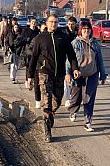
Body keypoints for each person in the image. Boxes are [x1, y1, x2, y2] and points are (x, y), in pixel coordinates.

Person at [27, 14, 80, 142]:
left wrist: (75, 68)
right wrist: (29, 76)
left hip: (59, 74)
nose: (53, 24)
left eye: (56, 22)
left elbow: (71, 55)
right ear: (46, 23)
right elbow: (34, 57)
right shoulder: (40, 38)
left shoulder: (63, 37)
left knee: (58, 99)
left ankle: (51, 113)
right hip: (45, 73)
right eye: (51, 22)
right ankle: (47, 131)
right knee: (47, 101)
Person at [66, 20, 107, 132]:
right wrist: (68, 73)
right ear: (80, 30)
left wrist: (103, 75)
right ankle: (73, 111)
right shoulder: (75, 43)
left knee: (89, 99)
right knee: (76, 99)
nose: (86, 31)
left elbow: (100, 61)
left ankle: (87, 122)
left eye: (88, 29)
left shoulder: (95, 44)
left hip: (92, 74)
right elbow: (69, 60)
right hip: (78, 75)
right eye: (84, 29)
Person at [60, 16, 78, 107]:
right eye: (69, 24)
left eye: (73, 24)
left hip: (76, 59)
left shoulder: (78, 33)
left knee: (75, 80)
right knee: (67, 80)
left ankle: (74, 96)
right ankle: (67, 99)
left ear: (75, 24)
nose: (71, 26)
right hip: (66, 58)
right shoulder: (63, 32)